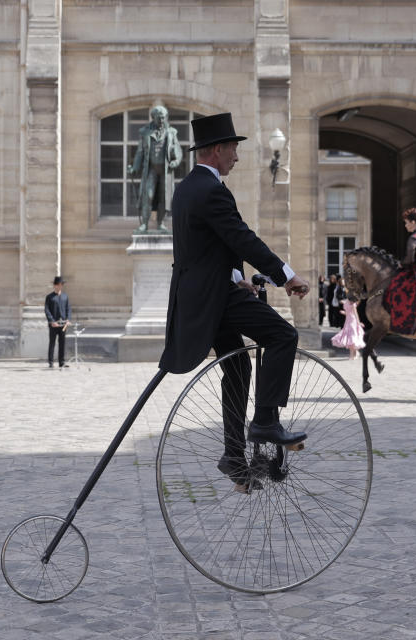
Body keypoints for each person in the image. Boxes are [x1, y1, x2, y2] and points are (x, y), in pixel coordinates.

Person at [159, 113, 310, 490]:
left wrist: (238, 277)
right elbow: (242, 239)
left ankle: (233, 457)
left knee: (239, 369)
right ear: (216, 150)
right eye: (233, 149)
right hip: (215, 299)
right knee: (283, 336)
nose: (236, 158)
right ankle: (264, 421)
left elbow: (207, 249)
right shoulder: (211, 190)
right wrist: (285, 275)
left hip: (206, 295)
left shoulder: (187, 188)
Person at [127, 105, 183, 233]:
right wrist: (134, 168)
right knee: (148, 195)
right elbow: (140, 152)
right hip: (151, 169)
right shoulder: (145, 132)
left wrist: (175, 161)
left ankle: (160, 223)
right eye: (159, 118)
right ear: (153, 118)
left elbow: (178, 151)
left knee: (164, 197)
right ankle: (144, 224)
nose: (162, 121)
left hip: (165, 170)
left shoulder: (171, 132)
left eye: (163, 118)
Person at [44, 276, 71, 368]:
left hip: (63, 324)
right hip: (53, 325)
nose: (60, 286)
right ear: (55, 285)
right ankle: (51, 362)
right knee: (52, 343)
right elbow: (47, 310)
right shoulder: (49, 297)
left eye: (61, 285)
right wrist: (52, 321)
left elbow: (68, 309)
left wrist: (68, 319)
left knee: (62, 343)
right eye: (58, 285)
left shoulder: (65, 296)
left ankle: (61, 362)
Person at [331, 294, 366, 359]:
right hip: (350, 321)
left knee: (352, 337)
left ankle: (353, 354)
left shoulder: (347, 303)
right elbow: (355, 314)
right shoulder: (351, 304)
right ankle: (354, 354)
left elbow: (352, 314)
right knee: (352, 337)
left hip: (350, 321)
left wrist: (358, 323)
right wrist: (359, 323)